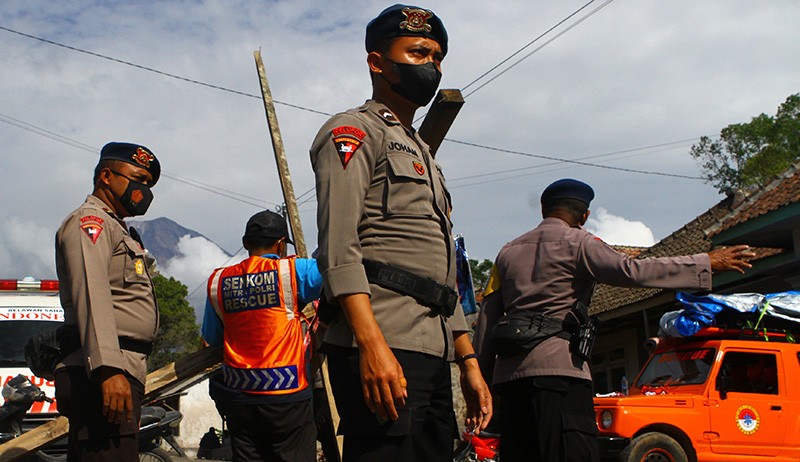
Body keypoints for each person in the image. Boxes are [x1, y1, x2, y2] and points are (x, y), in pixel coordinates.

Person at [310, 4, 492, 461]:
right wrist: (371, 346)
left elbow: (439, 272)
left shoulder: (423, 153)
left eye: (436, 56)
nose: (430, 65)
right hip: (383, 338)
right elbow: (338, 249)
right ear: (377, 62)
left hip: (432, 347)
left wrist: (468, 361)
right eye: (417, 53)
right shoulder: (353, 131)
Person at [473, 178, 755, 462]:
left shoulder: (507, 252)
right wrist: (704, 263)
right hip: (560, 376)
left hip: (510, 381)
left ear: (543, 209)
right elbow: (632, 271)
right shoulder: (579, 243)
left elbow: (486, 318)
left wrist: (479, 383)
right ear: (584, 216)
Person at [55, 141, 161, 461]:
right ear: (106, 176)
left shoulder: (118, 228)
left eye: (148, 183)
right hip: (103, 371)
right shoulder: (92, 221)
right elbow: (92, 291)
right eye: (138, 178)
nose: (143, 190)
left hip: (120, 367)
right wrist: (108, 369)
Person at [201, 210, 322, 462]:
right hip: (287, 394)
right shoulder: (293, 270)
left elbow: (212, 338)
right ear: (281, 244)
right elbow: (334, 266)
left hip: (239, 397)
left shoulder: (218, 281)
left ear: (245, 243)